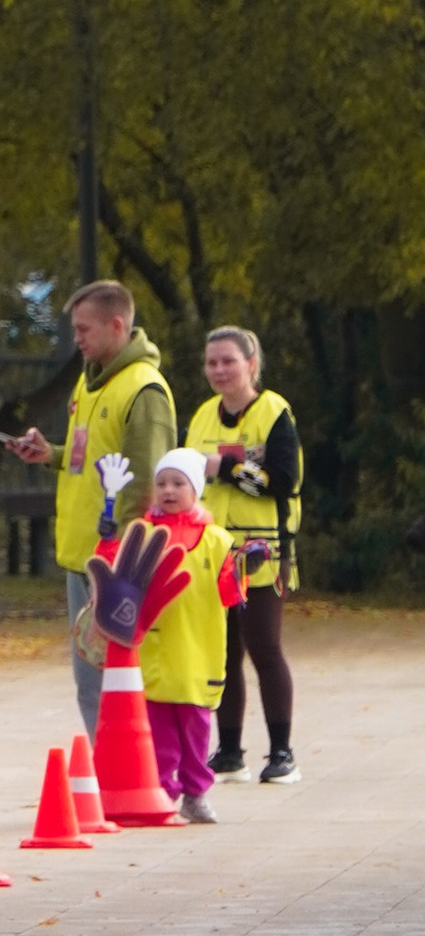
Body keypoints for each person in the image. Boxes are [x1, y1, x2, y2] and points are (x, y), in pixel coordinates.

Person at [0, 280, 175, 741]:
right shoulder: (92, 378)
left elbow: (146, 484)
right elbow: (89, 456)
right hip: (82, 554)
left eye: (84, 329)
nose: (75, 338)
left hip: (114, 563)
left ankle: (124, 779)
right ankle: (110, 778)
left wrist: (125, 567)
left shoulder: (144, 390)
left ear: (117, 325)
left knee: (111, 683)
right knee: (90, 684)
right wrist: (51, 454)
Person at [187, 326, 301, 784]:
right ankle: (229, 750)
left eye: (228, 361)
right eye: (212, 362)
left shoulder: (275, 413)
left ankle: (282, 753)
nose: (218, 370)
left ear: (251, 364)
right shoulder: (200, 418)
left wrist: (229, 469)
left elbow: (282, 481)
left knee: (264, 649)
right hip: (212, 554)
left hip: (263, 554)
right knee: (222, 653)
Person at [106, 446, 242, 825]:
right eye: (161, 483)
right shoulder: (144, 533)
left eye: (178, 483)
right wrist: (106, 529)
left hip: (198, 651)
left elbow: (231, 595)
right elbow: (116, 569)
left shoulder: (217, 540)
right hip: (154, 651)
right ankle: (164, 792)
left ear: (195, 489)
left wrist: (244, 568)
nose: (168, 490)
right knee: (159, 728)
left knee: (196, 727)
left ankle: (196, 792)